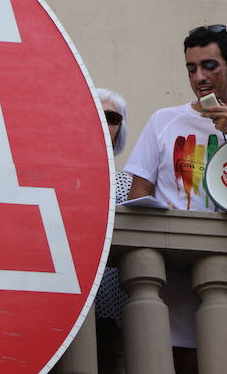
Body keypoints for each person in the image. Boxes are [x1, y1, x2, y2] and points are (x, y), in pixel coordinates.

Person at [126, 25, 227, 374]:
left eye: (209, 66)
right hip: (176, 269)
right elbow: (138, 193)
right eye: (191, 69)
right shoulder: (164, 120)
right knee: (185, 363)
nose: (199, 78)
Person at [93, 88, 129, 374]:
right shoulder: (59, 176)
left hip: (115, 305)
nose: (103, 122)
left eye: (112, 117)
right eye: (95, 113)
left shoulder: (130, 185)